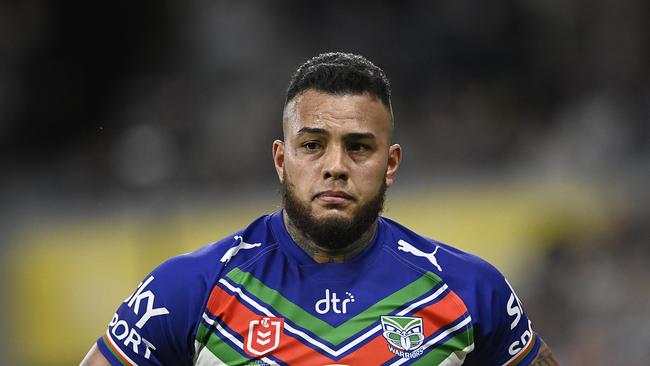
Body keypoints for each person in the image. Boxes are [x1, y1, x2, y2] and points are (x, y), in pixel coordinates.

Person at [81, 52, 557, 365]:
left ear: (390, 164)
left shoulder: (471, 291)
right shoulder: (187, 289)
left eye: (358, 148)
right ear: (281, 160)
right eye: (312, 146)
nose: (335, 167)